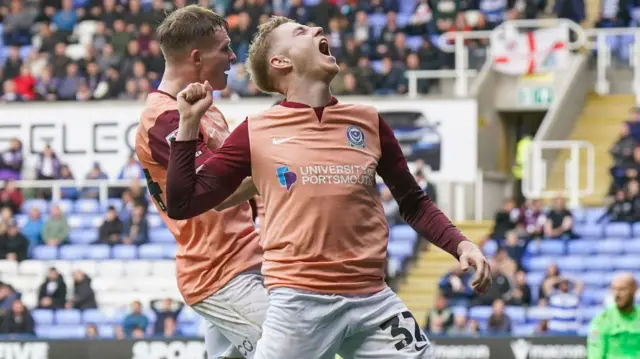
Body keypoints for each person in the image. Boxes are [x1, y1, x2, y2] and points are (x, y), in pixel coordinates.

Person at [165, 16, 491, 359]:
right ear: (280, 62)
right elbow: (183, 202)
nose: (319, 29)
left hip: (373, 301)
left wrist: (460, 243)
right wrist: (188, 124)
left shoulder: (368, 121)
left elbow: (413, 202)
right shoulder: (256, 130)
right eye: (301, 31)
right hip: (298, 304)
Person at [134, 6, 267, 359]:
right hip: (220, 274)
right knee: (299, 351)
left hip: (242, 259)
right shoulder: (162, 119)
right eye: (224, 48)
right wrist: (282, 166)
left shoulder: (206, 107)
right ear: (196, 57)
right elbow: (217, 196)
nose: (233, 56)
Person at [588, 272, 640, 359]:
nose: (617, 294)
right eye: (614, 289)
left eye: (622, 289)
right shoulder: (601, 320)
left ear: (634, 290)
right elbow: (595, 354)